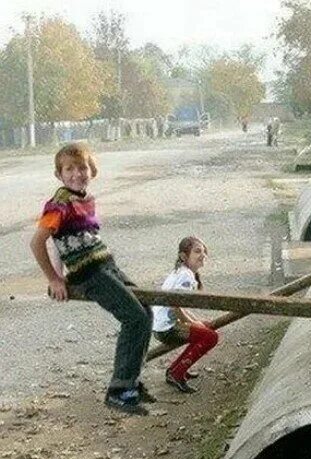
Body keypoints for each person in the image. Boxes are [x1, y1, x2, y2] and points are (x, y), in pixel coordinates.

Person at [30, 143, 154, 415]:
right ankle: (119, 391)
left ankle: (131, 381)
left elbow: (62, 240)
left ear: (92, 170)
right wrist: (55, 279)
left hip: (106, 264)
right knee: (135, 318)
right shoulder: (59, 205)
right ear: (59, 175)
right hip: (90, 275)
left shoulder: (85, 199)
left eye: (82, 167)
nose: (77, 174)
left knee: (146, 311)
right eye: (69, 169)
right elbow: (38, 241)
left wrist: (60, 271)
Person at [152, 236, 219, 393]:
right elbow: (176, 305)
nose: (202, 255)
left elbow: (181, 306)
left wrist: (197, 321)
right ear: (183, 256)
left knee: (205, 329)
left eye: (204, 252)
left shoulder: (182, 272)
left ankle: (176, 369)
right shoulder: (186, 276)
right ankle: (177, 373)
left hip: (161, 324)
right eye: (197, 251)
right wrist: (193, 323)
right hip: (167, 328)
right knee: (210, 337)